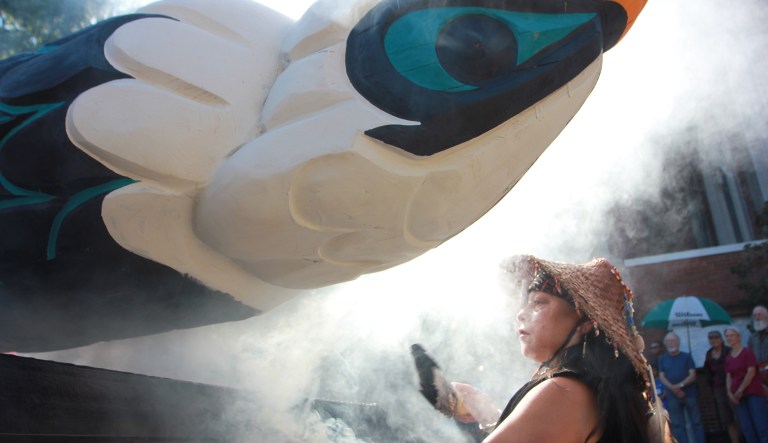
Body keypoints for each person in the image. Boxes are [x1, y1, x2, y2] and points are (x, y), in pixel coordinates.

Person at [453, 255, 672, 442]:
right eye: (526, 303)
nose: (521, 313)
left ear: (584, 321)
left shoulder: (563, 391)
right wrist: (488, 414)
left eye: (539, 303)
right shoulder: (582, 390)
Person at [658, 331, 706, 443]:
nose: (671, 343)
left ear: (678, 342)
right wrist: (674, 388)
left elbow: (693, 375)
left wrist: (680, 386)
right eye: (668, 341)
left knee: (696, 423)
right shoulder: (662, 359)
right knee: (678, 425)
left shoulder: (687, 356)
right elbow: (662, 377)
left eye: (673, 340)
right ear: (665, 343)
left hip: (689, 394)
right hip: (672, 397)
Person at [724, 327, 768, 443]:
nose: (729, 338)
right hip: (738, 398)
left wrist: (740, 390)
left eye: (732, 335)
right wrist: (729, 393)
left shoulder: (747, 352)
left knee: (760, 424)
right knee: (746, 427)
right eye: (727, 336)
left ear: (739, 337)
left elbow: (751, 372)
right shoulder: (728, 358)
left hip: (752, 392)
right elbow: (728, 376)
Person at [704, 330, 739, 443]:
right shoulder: (709, 354)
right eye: (711, 338)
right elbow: (708, 372)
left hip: (732, 386)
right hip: (718, 388)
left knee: (738, 416)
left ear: (721, 339)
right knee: (727, 419)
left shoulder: (728, 351)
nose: (713, 340)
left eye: (716, 337)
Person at [747, 305, 768, 390]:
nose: (757, 317)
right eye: (754, 315)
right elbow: (750, 357)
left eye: (759, 314)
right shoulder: (752, 338)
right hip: (759, 375)